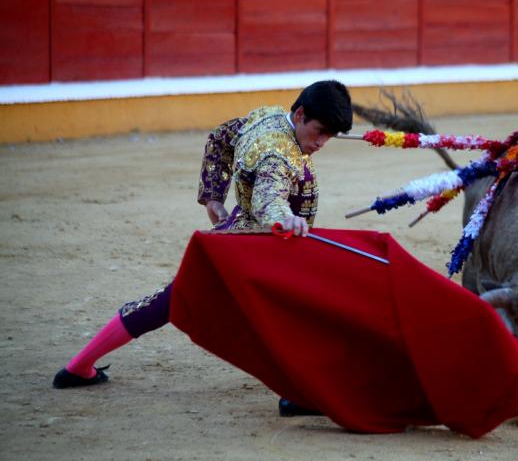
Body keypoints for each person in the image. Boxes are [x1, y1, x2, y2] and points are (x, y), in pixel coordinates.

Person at [53, 80, 353, 414]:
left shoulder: (268, 118)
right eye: (320, 131)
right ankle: (297, 394)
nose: (322, 142)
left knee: (170, 299)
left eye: (330, 136)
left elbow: (221, 136)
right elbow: (270, 195)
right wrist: (285, 218)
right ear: (299, 114)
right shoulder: (278, 153)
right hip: (260, 249)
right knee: (295, 309)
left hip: (239, 235)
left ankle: (79, 366)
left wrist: (213, 197)